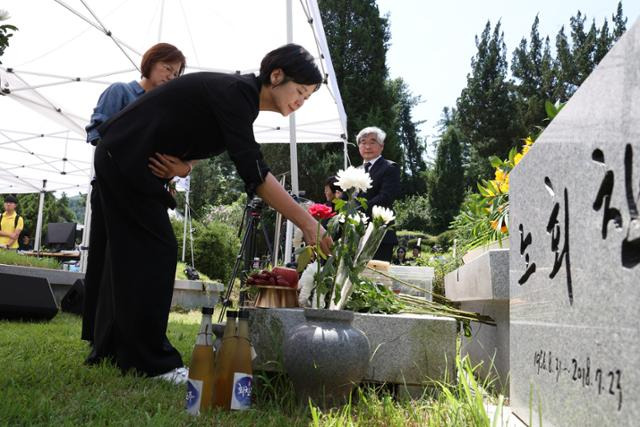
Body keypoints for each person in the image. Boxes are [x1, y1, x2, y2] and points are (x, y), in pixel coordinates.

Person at [88, 44, 333, 383]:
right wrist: (307, 222)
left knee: (130, 256)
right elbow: (254, 172)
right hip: (126, 157)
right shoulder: (237, 93)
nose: (300, 101)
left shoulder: (239, 98)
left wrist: (185, 165)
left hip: (124, 156)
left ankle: (113, 350)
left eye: (307, 97)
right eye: (300, 91)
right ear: (276, 76)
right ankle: (152, 362)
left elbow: (196, 133)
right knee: (154, 252)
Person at [82, 43, 189, 347]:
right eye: (167, 68)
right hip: (110, 187)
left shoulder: (170, 106)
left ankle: (129, 331)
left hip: (147, 193)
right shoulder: (121, 92)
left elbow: (184, 152)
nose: (172, 75)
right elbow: (96, 133)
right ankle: (96, 335)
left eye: (177, 72)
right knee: (104, 259)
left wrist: (181, 167)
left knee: (138, 261)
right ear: (150, 64)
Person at [357, 126, 400, 262]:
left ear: (381, 146)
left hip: (380, 234)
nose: (367, 146)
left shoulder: (389, 167)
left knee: (376, 279)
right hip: (355, 235)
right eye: (363, 142)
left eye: (372, 142)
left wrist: (356, 211)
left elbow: (385, 197)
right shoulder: (355, 171)